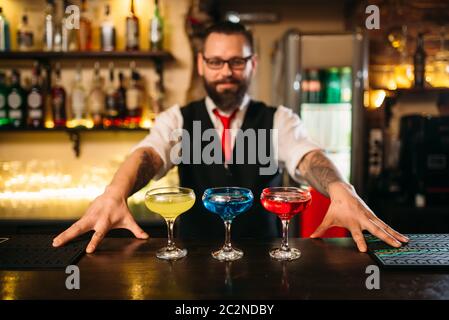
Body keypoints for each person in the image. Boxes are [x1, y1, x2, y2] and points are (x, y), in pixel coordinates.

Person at [53, 21, 408, 254]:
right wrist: (115, 192)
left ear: (252, 64)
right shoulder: (178, 119)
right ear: (201, 63)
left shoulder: (278, 119)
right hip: (191, 265)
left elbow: (308, 158)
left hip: (267, 264)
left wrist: (339, 188)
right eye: (216, 62)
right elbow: (149, 154)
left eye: (237, 62)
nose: (226, 72)